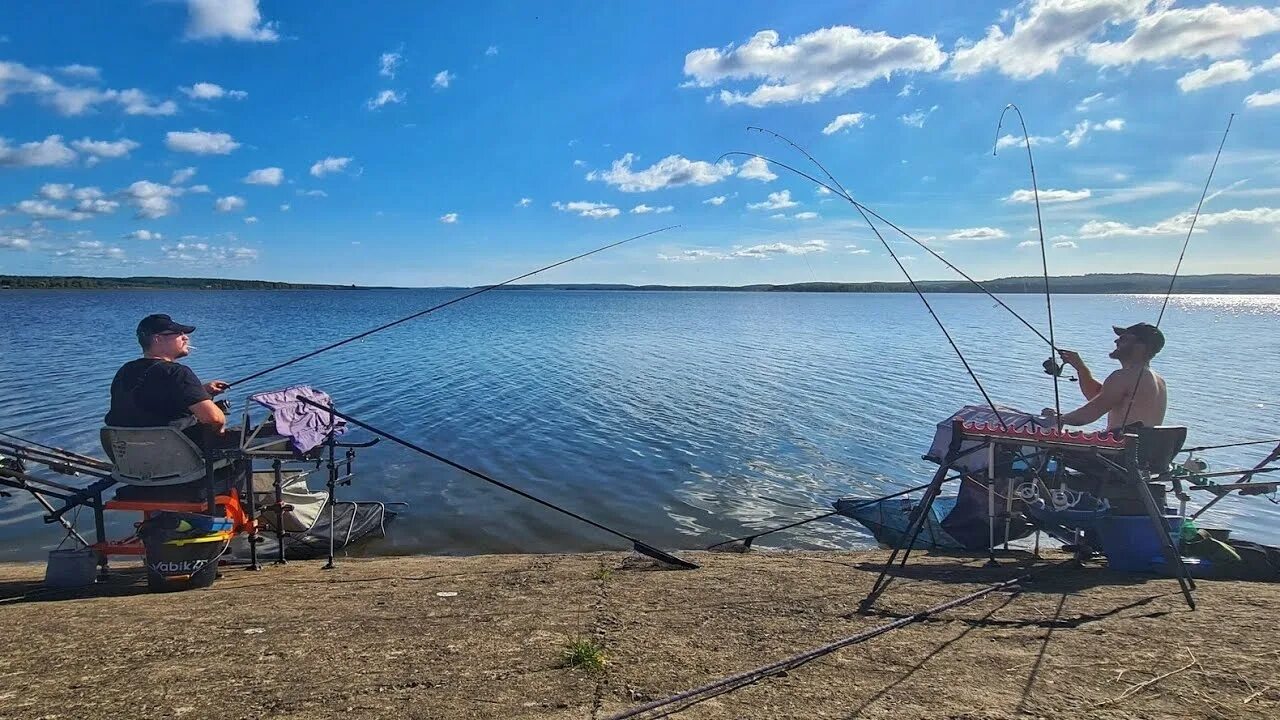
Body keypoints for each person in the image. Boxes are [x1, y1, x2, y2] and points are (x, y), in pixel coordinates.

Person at [104, 314, 230, 437]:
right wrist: (220, 431)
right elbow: (214, 418)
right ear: (158, 339)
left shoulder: (125, 370)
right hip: (177, 452)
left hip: (131, 451)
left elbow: (147, 400)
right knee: (246, 439)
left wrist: (199, 391)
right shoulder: (178, 372)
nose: (185, 338)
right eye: (178, 334)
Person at [1043, 322, 1167, 431]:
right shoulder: (1159, 381)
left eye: (1124, 339)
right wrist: (1080, 368)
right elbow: (1099, 398)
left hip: (1116, 454)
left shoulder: (1124, 376)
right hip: (1142, 452)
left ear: (1140, 346)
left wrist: (1055, 419)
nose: (1116, 341)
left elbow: (1089, 414)